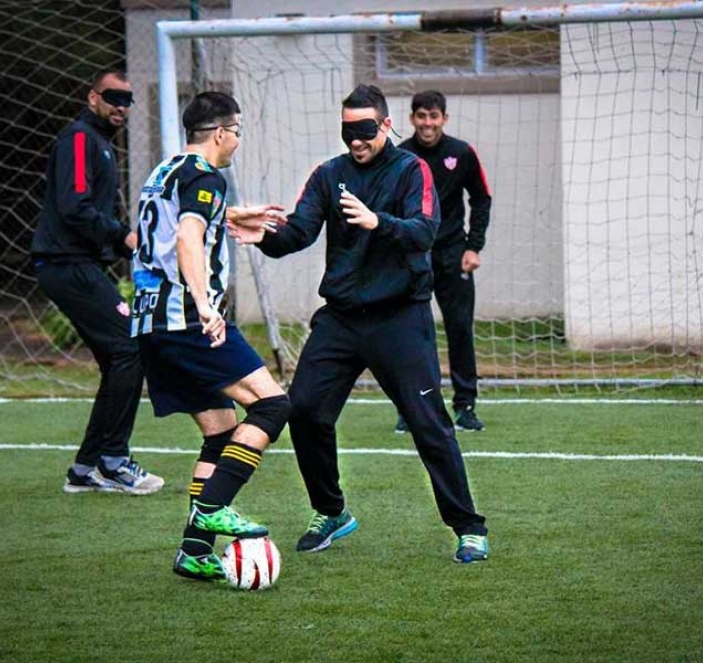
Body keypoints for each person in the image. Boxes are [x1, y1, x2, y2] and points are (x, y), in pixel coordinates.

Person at [236, 84, 489, 563]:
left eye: (366, 131)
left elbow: (425, 232)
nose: (356, 141)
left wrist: (379, 222)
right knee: (305, 410)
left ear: (387, 126)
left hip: (400, 320)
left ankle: (468, 527)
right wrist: (265, 235)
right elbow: (300, 231)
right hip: (341, 320)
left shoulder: (412, 170)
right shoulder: (329, 175)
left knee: (427, 423)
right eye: (348, 131)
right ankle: (330, 510)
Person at [130, 91, 291, 581]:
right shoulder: (206, 176)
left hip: (150, 323)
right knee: (273, 405)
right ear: (221, 132)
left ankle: (194, 552)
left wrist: (237, 215)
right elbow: (185, 236)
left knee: (220, 431)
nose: (238, 139)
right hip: (186, 320)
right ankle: (213, 508)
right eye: (237, 130)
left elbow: (169, 226)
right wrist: (204, 304)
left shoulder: (167, 171)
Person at [31, 69, 163, 496]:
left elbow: (90, 218)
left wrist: (132, 246)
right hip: (65, 264)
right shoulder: (80, 139)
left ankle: (86, 469)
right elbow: (75, 208)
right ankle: (113, 461)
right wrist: (123, 235)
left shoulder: (102, 144)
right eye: (113, 98)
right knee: (130, 346)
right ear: (93, 97)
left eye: (128, 100)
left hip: (76, 263)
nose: (122, 106)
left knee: (117, 359)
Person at [394, 90, 492, 435]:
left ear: (444, 119)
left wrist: (473, 247)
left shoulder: (461, 153)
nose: (427, 123)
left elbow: (481, 199)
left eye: (434, 116)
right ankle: (411, 408)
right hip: (413, 256)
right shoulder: (400, 156)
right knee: (411, 333)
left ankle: (465, 406)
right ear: (412, 119)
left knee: (459, 329)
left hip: (453, 254)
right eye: (421, 116)